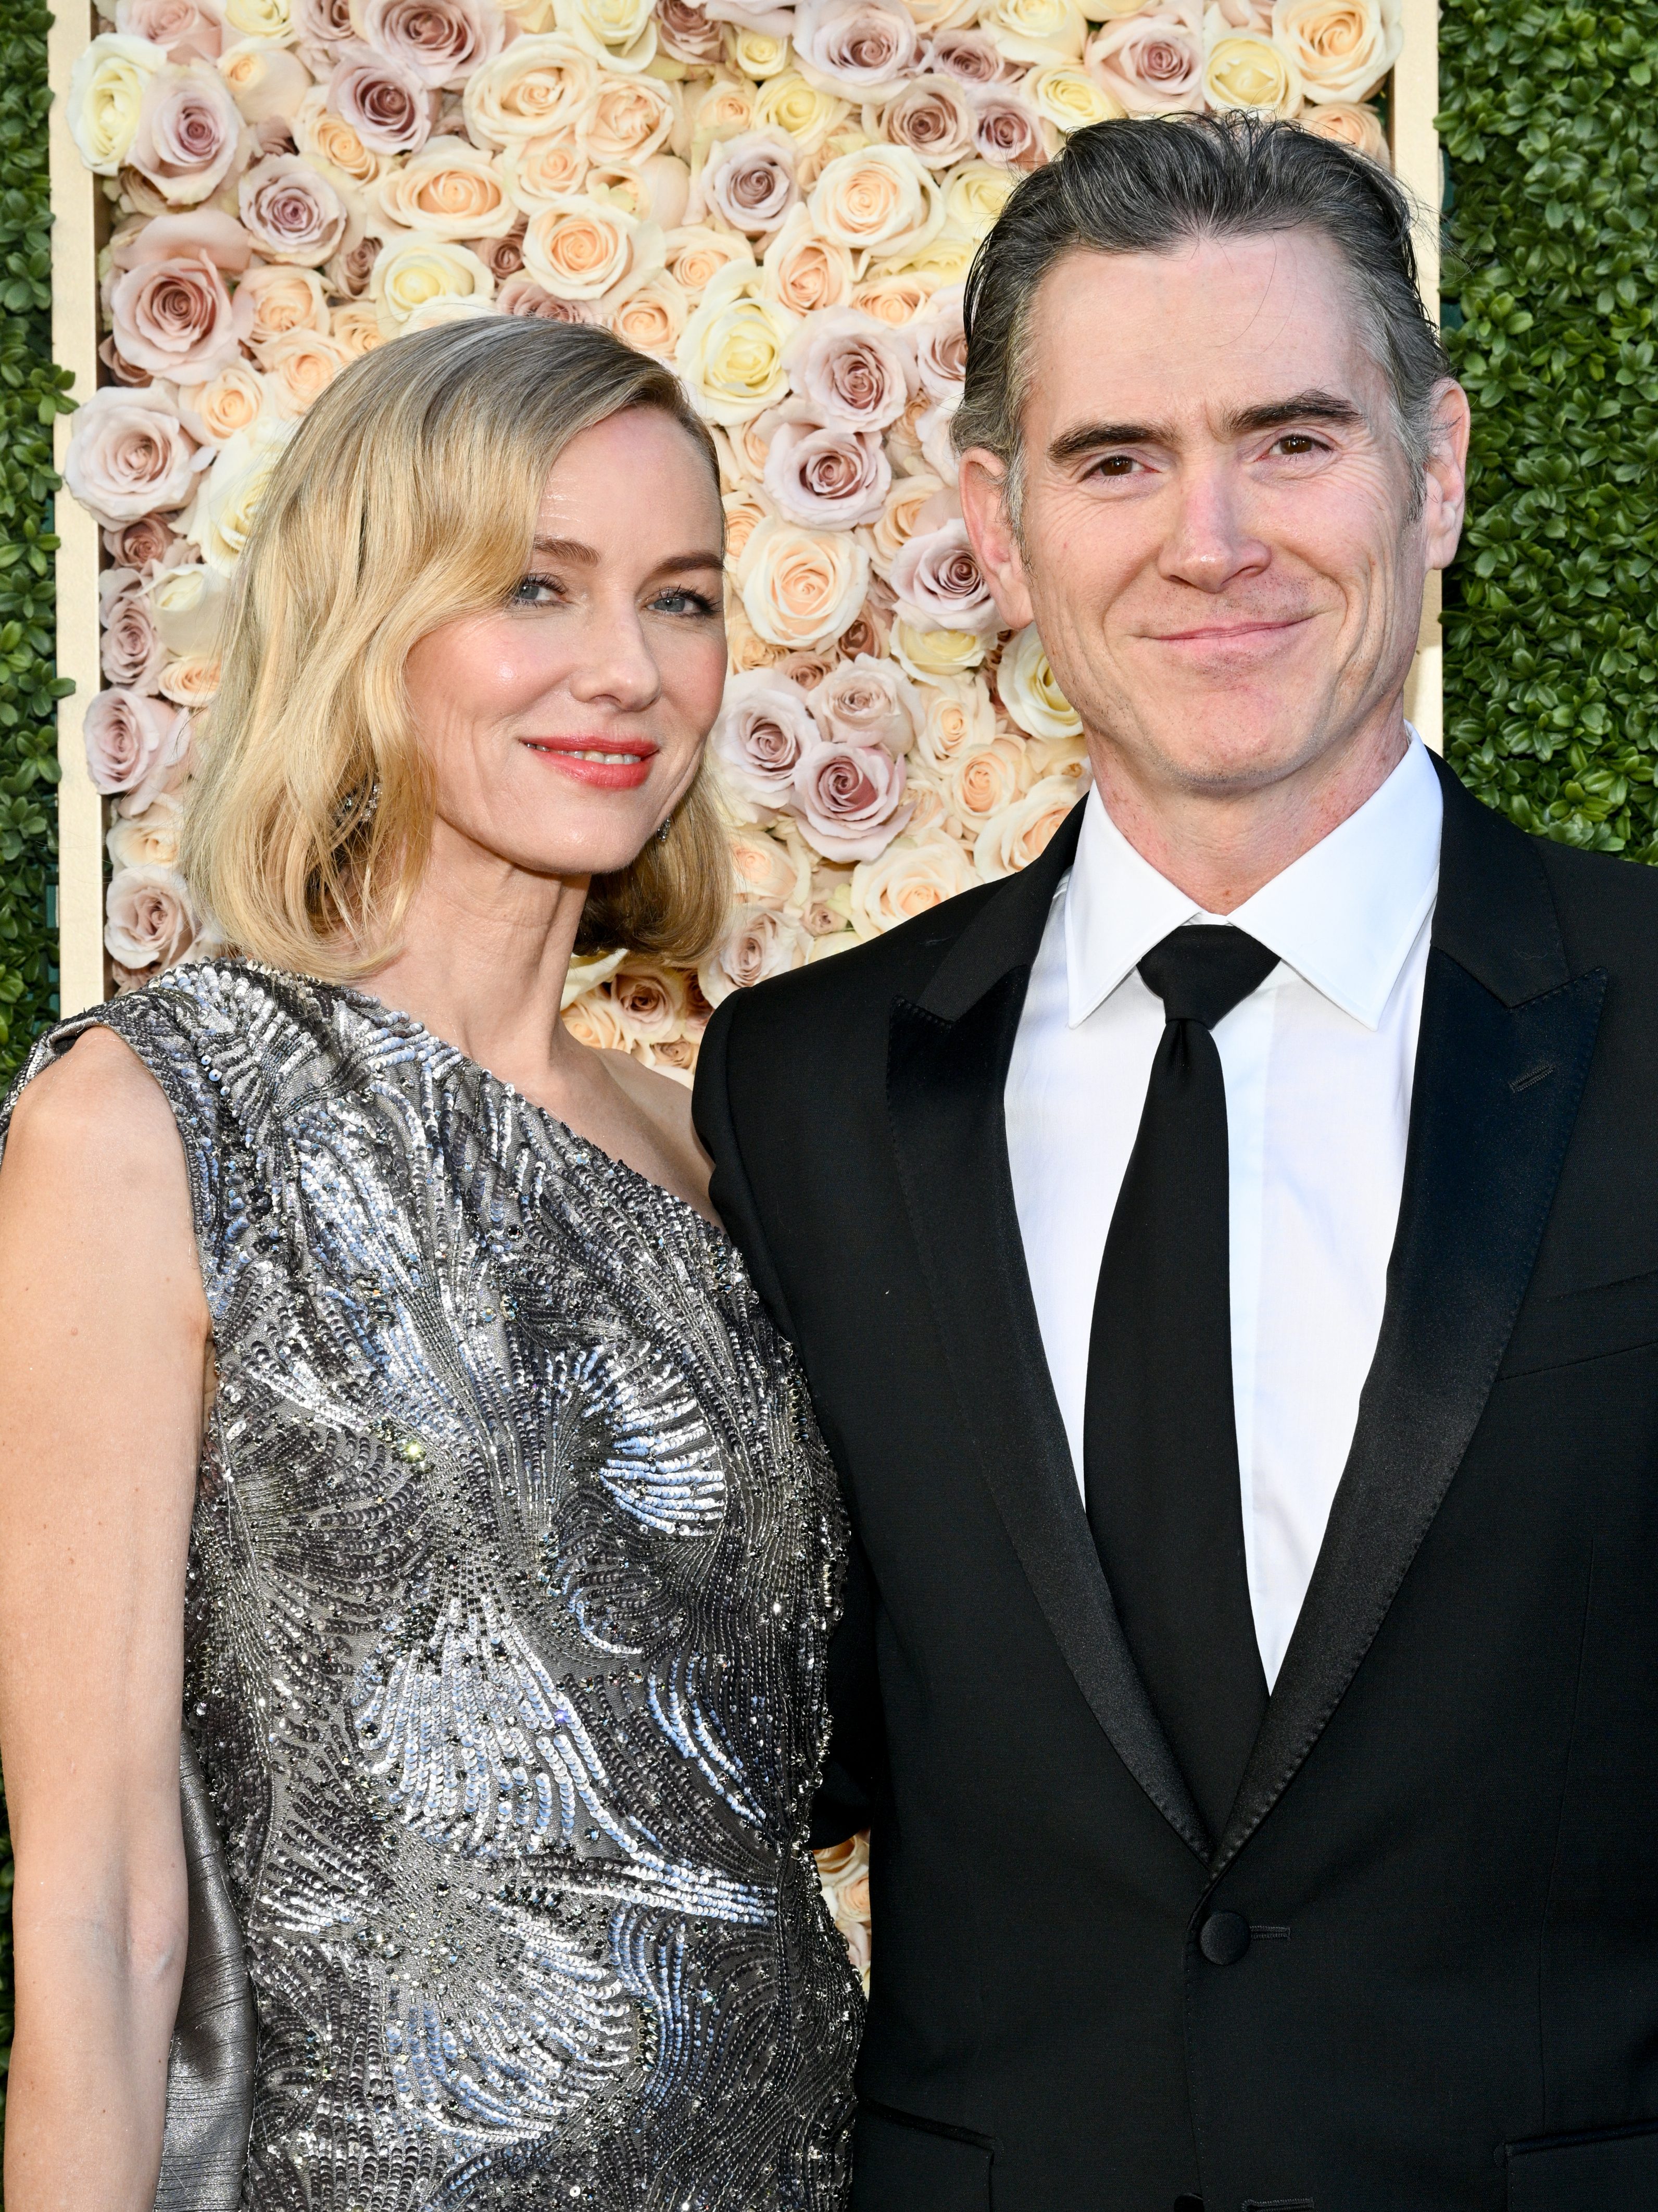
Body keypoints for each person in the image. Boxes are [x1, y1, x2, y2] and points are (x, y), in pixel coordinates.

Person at [693, 110, 1658, 2210]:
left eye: (1293, 439)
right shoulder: (804, 1084)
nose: (1207, 536)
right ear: (997, 519)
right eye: (1116, 458)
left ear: (1441, 469)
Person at [0, 319, 861, 2210]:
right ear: (364, 615)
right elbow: (95, 1900)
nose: (629, 670)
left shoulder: (721, 1149)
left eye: (685, 598)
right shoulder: (151, 1124)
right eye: (532, 588)